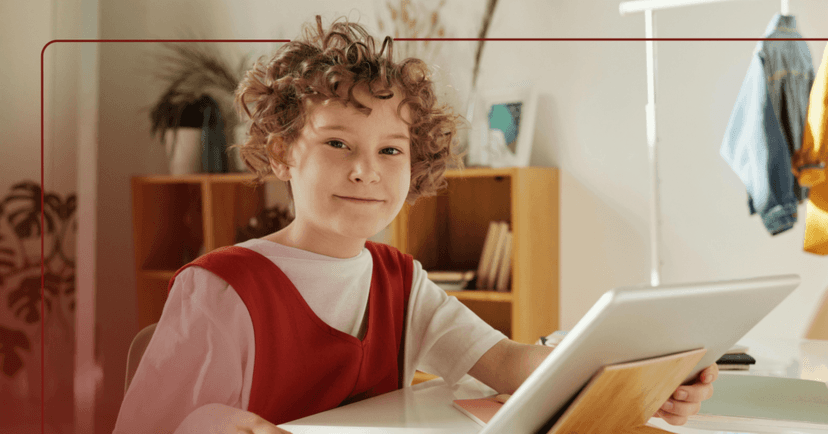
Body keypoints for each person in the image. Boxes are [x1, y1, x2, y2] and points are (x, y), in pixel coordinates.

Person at [114, 15, 718, 434]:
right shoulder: (220, 288)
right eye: (337, 143)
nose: (364, 172)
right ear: (280, 153)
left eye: (391, 151)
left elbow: (509, 364)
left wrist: (642, 375)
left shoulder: (403, 282)